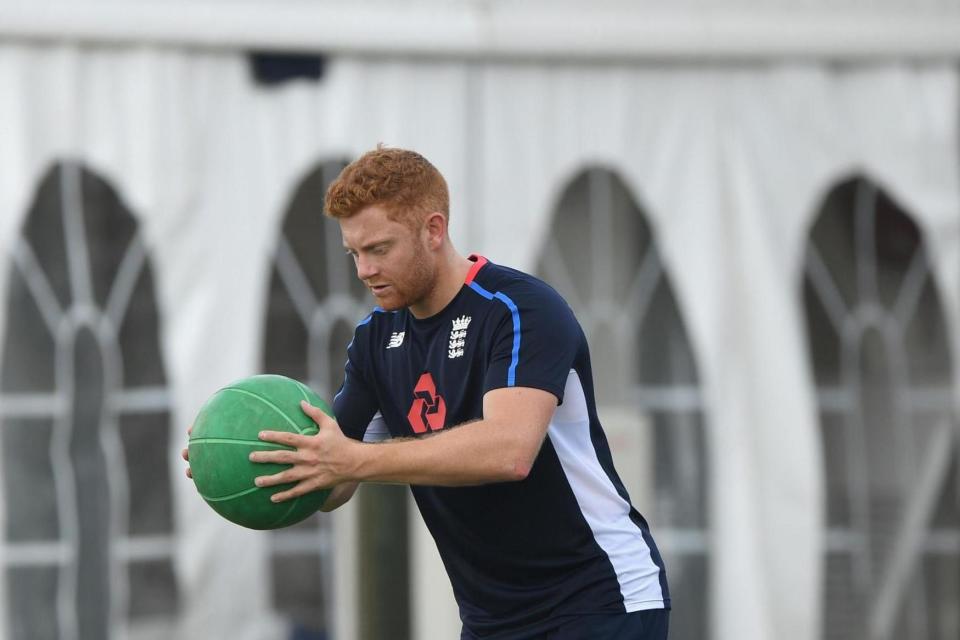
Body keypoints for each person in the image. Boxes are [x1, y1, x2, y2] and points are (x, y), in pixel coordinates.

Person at [184, 146, 670, 639]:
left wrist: (351, 460)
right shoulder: (376, 341)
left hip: (599, 596)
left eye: (379, 249)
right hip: (490, 619)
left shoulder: (520, 310)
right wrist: (243, 460)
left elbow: (508, 451)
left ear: (433, 230)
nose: (363, 271)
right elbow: (334, 482)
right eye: (354, 253)